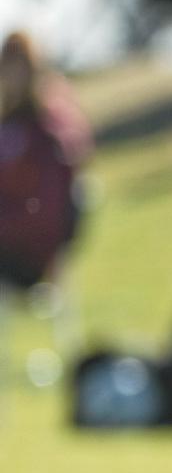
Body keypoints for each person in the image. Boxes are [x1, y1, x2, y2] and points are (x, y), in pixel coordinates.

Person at [0, 30, 90, 300]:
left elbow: (48, 209)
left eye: (19, 69)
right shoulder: (10, 124)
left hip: (29, 256)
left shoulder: (49, 131)